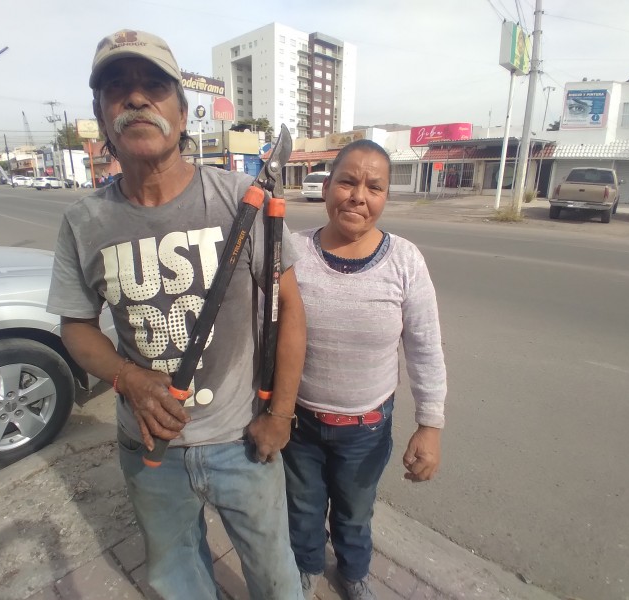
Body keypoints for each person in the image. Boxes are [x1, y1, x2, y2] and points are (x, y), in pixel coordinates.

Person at [46, 29, 307, 600]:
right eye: (118, 89)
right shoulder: (83, 222)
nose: (136, 99)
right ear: (101, 115)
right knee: (177, 579)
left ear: (183, 114)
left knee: (276, 577)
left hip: (243, 439)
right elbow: (76, 326)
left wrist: (281, 415)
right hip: (148, 447)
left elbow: (289, 312)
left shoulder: (242, 198)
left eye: (154, 87)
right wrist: (129, 379)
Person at [283, 139, 447, 600]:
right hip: (298, 424)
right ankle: (307, 567)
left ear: (385, 198)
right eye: (347, 181)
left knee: (355, 513)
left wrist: (430, 424)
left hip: (366, 429)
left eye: (374, 187)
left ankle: (353, 574)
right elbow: (263, 336)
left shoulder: (405, 261)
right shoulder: (292, 253)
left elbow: (425, 347)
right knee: (302, 508)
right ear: (327, 187)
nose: (358, 195)